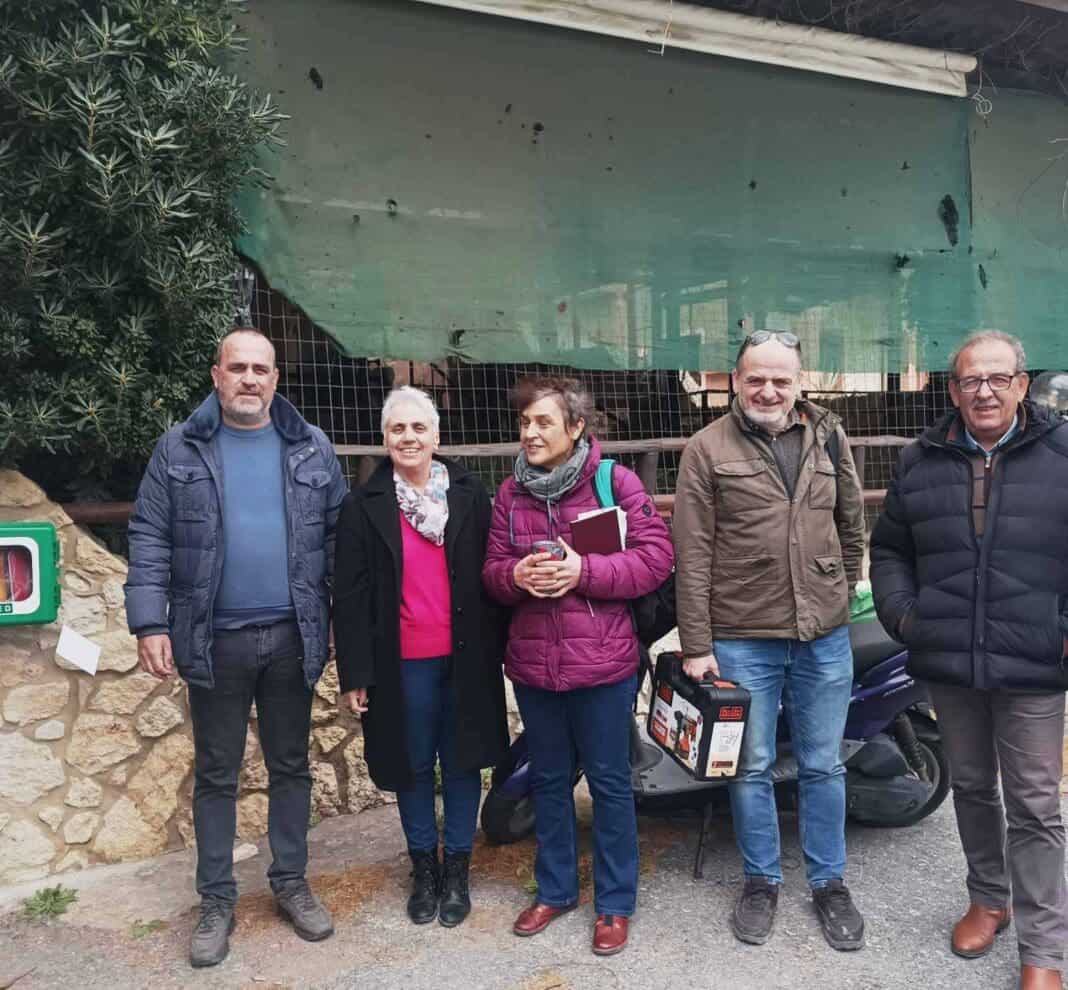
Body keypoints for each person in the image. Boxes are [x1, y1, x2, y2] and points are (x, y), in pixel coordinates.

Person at [125, 326, 347, 967]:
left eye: (261, 369)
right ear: (217, 375)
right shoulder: (179, 448)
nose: (250, 378)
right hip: (212, 638)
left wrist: (339, 618)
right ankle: (216, 900)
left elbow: (340, 539)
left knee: (291, 766)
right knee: (217, 773)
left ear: (275, 379)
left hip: (291, 636)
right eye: (238, 367)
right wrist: (150, 623)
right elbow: (149, 536)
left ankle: (291, 882)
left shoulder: (311, 447)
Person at [870, 330, 1068, 990]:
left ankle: (1044, 949)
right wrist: (906, 617)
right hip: (950, 659)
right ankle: (989, 897)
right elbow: (890, 549)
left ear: (1021, 384)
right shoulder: (920, 460)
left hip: (1034, 663)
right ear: (953, 390)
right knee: (974, 786)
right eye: (970, 380)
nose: (984, 391)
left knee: (1035, 805)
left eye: (997, 378)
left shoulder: (1062, 455)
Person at [672, 330, 867, 951]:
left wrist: (841, 592)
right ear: (735, 380)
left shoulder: (828, 435)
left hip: (822, 636)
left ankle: (829, 882)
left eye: (781, 379)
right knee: (750, 766)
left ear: (798, 382)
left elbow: (852, 524)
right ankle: (761, 881)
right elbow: (692, 553)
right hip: (742, 636)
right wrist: (697, 645)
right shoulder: (707, 449)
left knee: (824, 763)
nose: (768, 390)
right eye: (756, 378)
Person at [482, 376, 674, 957]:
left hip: (604, 665)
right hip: (535, 666)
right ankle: (556, 890)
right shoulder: (510, 493)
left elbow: (656, 559)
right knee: (548, 780)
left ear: (576, 428)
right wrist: (515, 576)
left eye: (543, 422)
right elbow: (491, 571)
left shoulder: (615, 482)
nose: (530, 432)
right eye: (524, 423)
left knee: (610, 783)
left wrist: (582, 572)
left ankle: (614, 903)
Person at [332, 386, 509, 928]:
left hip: (465, 658)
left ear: (436, 435)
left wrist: (504, 649)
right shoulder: (362, 505)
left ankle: (456, 868)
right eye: (397, 429)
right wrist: (355, 672)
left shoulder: (470, 494)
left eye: (418, 428)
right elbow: (350, 595)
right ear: (385, 438)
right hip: (399, 665)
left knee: (461, 763)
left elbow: (492, 574)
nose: (408, 438)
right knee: (410, 767)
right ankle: (423, 868)